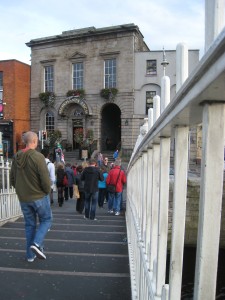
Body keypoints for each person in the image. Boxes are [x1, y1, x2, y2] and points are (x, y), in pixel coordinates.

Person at [10, 131, 52, 262]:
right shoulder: (38, 157)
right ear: (35, 141)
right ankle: (37, 244)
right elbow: (45, 179)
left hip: (24, 198)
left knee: (30, 225)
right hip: (39, 196)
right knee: (46, 220)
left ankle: (30, 256)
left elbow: (12, 178)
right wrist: (47, 191)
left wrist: (20, 190)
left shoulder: (16, 156)